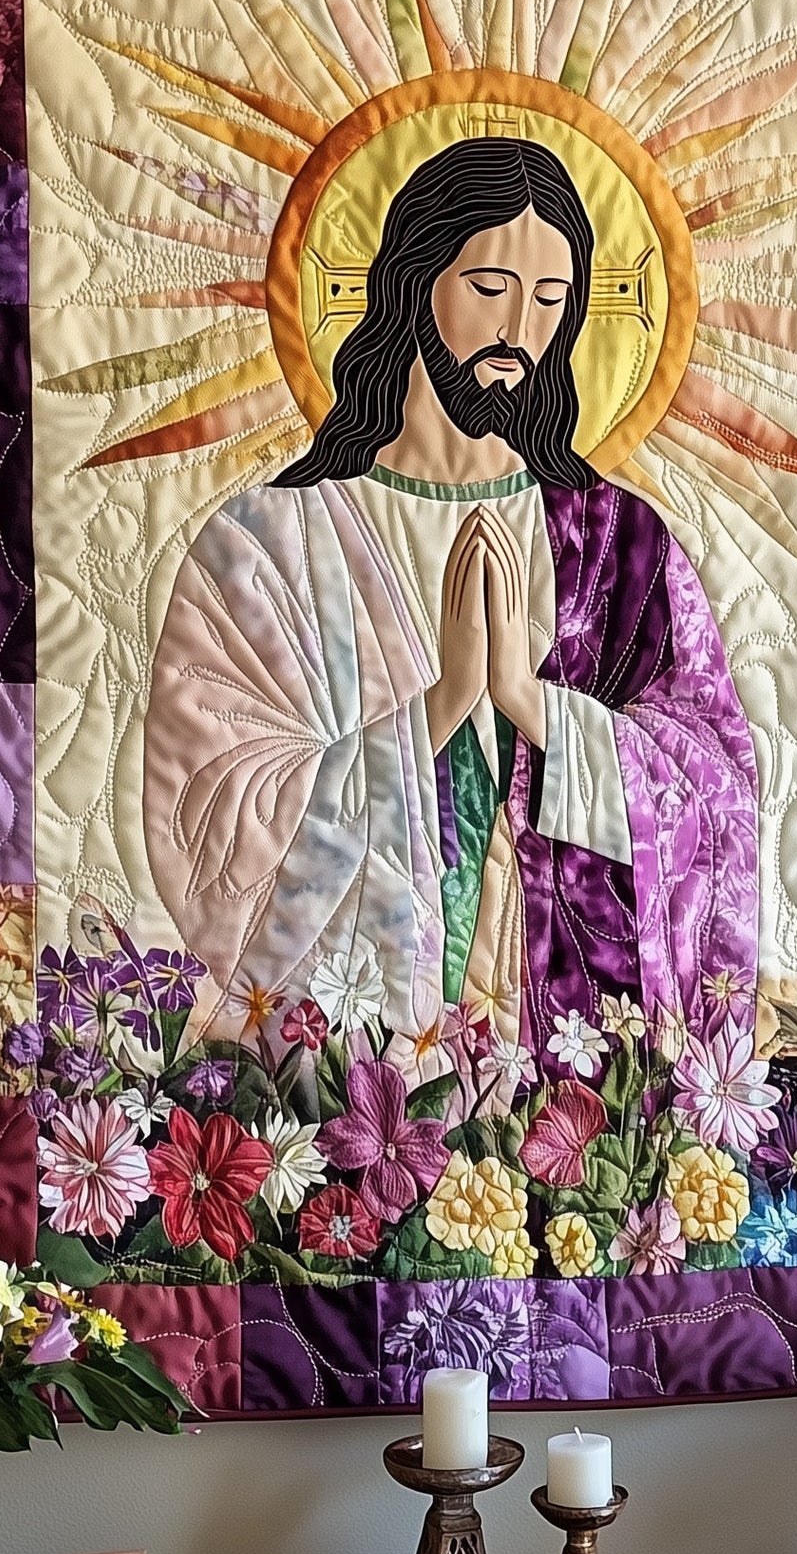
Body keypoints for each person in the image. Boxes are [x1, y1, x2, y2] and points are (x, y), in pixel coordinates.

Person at [144, 136, 758, 1068]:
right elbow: (208, 818)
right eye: (489, 287)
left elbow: (720, 797)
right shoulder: (265, 541)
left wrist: (532, 705)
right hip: (347, 1079)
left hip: (573, 1062)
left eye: (550, 300)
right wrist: (439, 705)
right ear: (413, 284)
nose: (518, 328)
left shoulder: (617, 543)